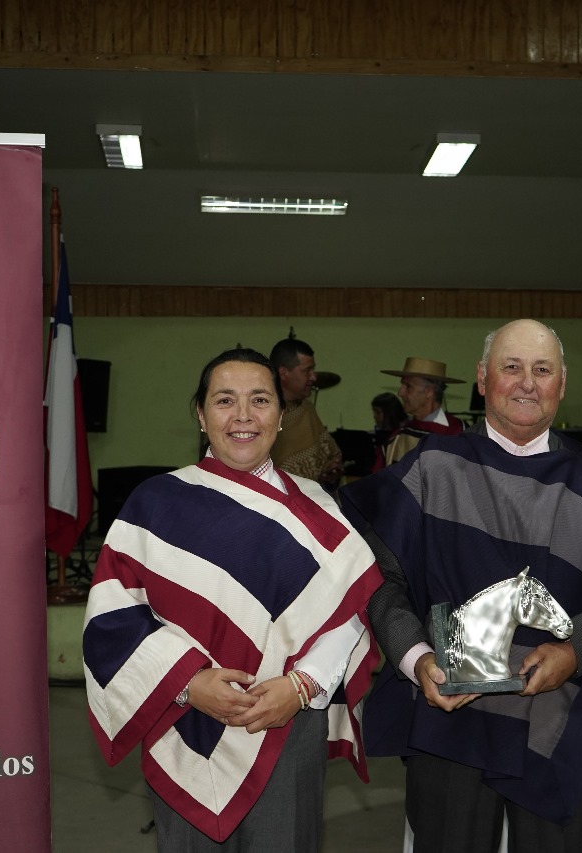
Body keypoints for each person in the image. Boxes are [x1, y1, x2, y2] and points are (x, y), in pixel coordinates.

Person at [342, 320, 582, 853]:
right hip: (449, 716)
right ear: (482, 378)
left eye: (542, 370)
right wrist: (415, 657)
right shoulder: (434, 466)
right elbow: (376, 574)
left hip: (555, 720)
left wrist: (578, 649)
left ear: (562, 383)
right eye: (511, 367)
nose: (526, 383)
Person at [83, 347, 382, 850]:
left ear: (281, 415)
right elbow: (112, 618)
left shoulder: (320, 509)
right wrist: (187, 683)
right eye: (225, 400)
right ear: (201, 415)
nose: (243, 416)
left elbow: (349, 615)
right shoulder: (154, 504)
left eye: (260, 400)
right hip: (183, 720)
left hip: (288, 726)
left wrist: (303, 686)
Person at [269, 337, 345, 492]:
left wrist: (329, 474)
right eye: (306, 371)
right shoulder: (262, 413)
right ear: (284, 372)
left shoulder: (307, 409)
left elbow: (329, 458)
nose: (313, 377)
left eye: (313, 370)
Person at [379, 356, 467, 466]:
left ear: (429, 391)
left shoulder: (458, 433)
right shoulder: (398, 437)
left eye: (408, 386)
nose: (400, 393)